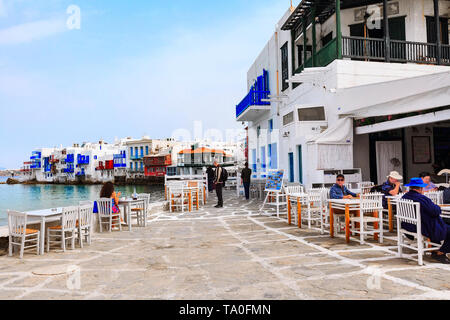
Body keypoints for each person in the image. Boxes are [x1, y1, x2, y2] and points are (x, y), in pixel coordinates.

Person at [401, 178, 450, 264]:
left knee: (437, 225)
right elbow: (435, 211)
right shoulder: (421, 198)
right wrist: (437, 206)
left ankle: (435, 250)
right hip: (420, 226)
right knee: (445, 228)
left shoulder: (404, 197)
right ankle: (441, 252)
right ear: (420, 188)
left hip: (409, 225)